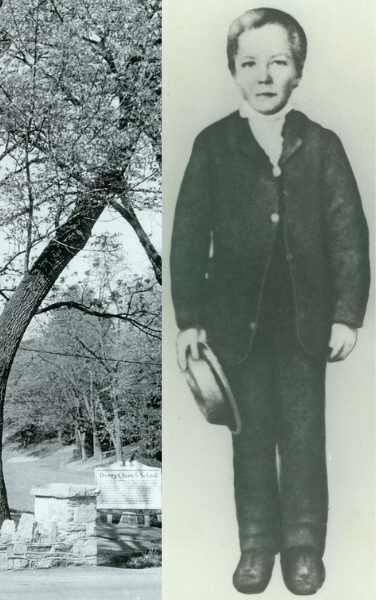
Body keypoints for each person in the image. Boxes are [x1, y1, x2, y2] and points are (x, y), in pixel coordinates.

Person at [170, 7, 370, 595]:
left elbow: (349, 235)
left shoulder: (324, 146)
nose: (264, 75)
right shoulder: (213, 146)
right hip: (236, 326)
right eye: (250, 63)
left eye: (277, 62)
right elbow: (187, 237)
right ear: (233, 69)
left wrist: (346, 313)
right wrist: (190, 321)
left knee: (305, 437)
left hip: (306, 323)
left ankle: (304, 548)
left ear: (298, 71)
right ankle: (257, 546)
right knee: (250, 437)